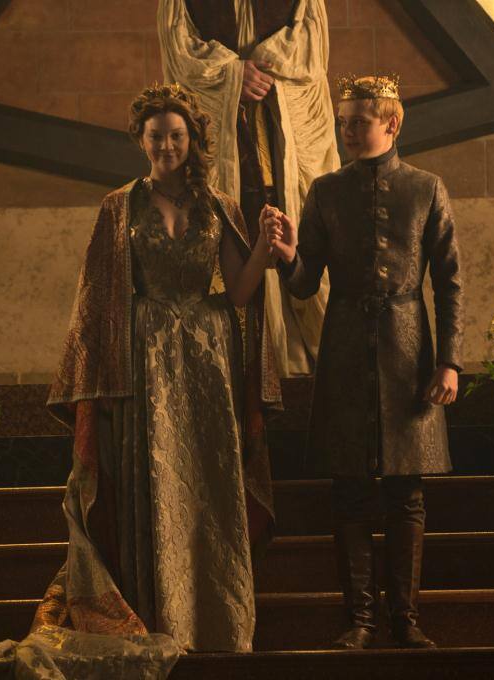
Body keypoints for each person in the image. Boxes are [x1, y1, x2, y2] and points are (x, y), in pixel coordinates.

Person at [33, 82, 281, 661]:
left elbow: (238, 293)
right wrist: (100, 388)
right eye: (156, 136)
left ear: (192, 139)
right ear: (140, 140)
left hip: (208, 365)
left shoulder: (219, 206)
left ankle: (216, 624)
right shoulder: (118, 206)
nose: (167, 145)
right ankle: (161, 620)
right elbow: (95, 302)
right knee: (155, 486)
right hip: (143, 364)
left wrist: (265, 249)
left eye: (176, 135)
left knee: (209, 490)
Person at [266, 75, 464, 649]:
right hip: (345, 350)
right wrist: (288, 257)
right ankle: (360, 621)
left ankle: (405, 620)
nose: (348, 131)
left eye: (359, 121)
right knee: (349, 491)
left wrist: (449, 362)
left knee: (407, 494)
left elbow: (450, 282)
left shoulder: (427, 188)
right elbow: (305, 284)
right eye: (343, 121)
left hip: (409, 352)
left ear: (391, 123)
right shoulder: (325, 191)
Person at [158, 0, 340, 379]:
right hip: (224, 146)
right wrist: (231, 75)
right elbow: (179, 50)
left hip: (276, 136)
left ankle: (290, 352)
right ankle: (221, 356)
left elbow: (310, 42)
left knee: (287, 229)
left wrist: (265, 66)